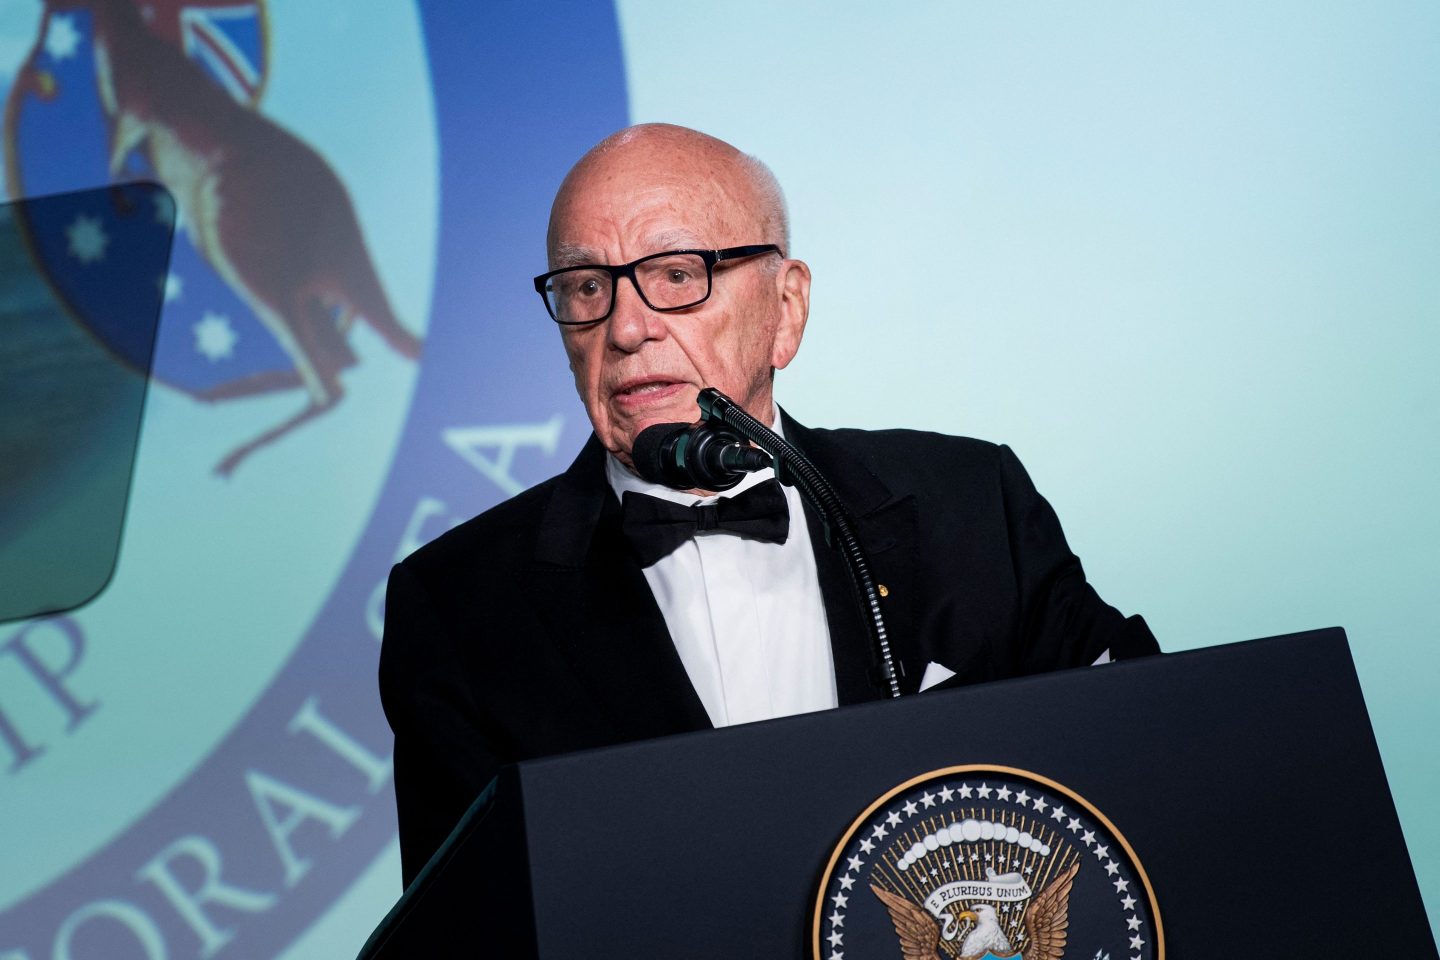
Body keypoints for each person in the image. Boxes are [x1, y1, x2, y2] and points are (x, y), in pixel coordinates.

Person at [379, 123, 1158, 886]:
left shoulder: (971, 501)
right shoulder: (457, 607)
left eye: (676, 274)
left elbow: (1147, 750)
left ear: (786, 308)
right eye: (587, 286)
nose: (627, 328)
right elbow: (469, 930)